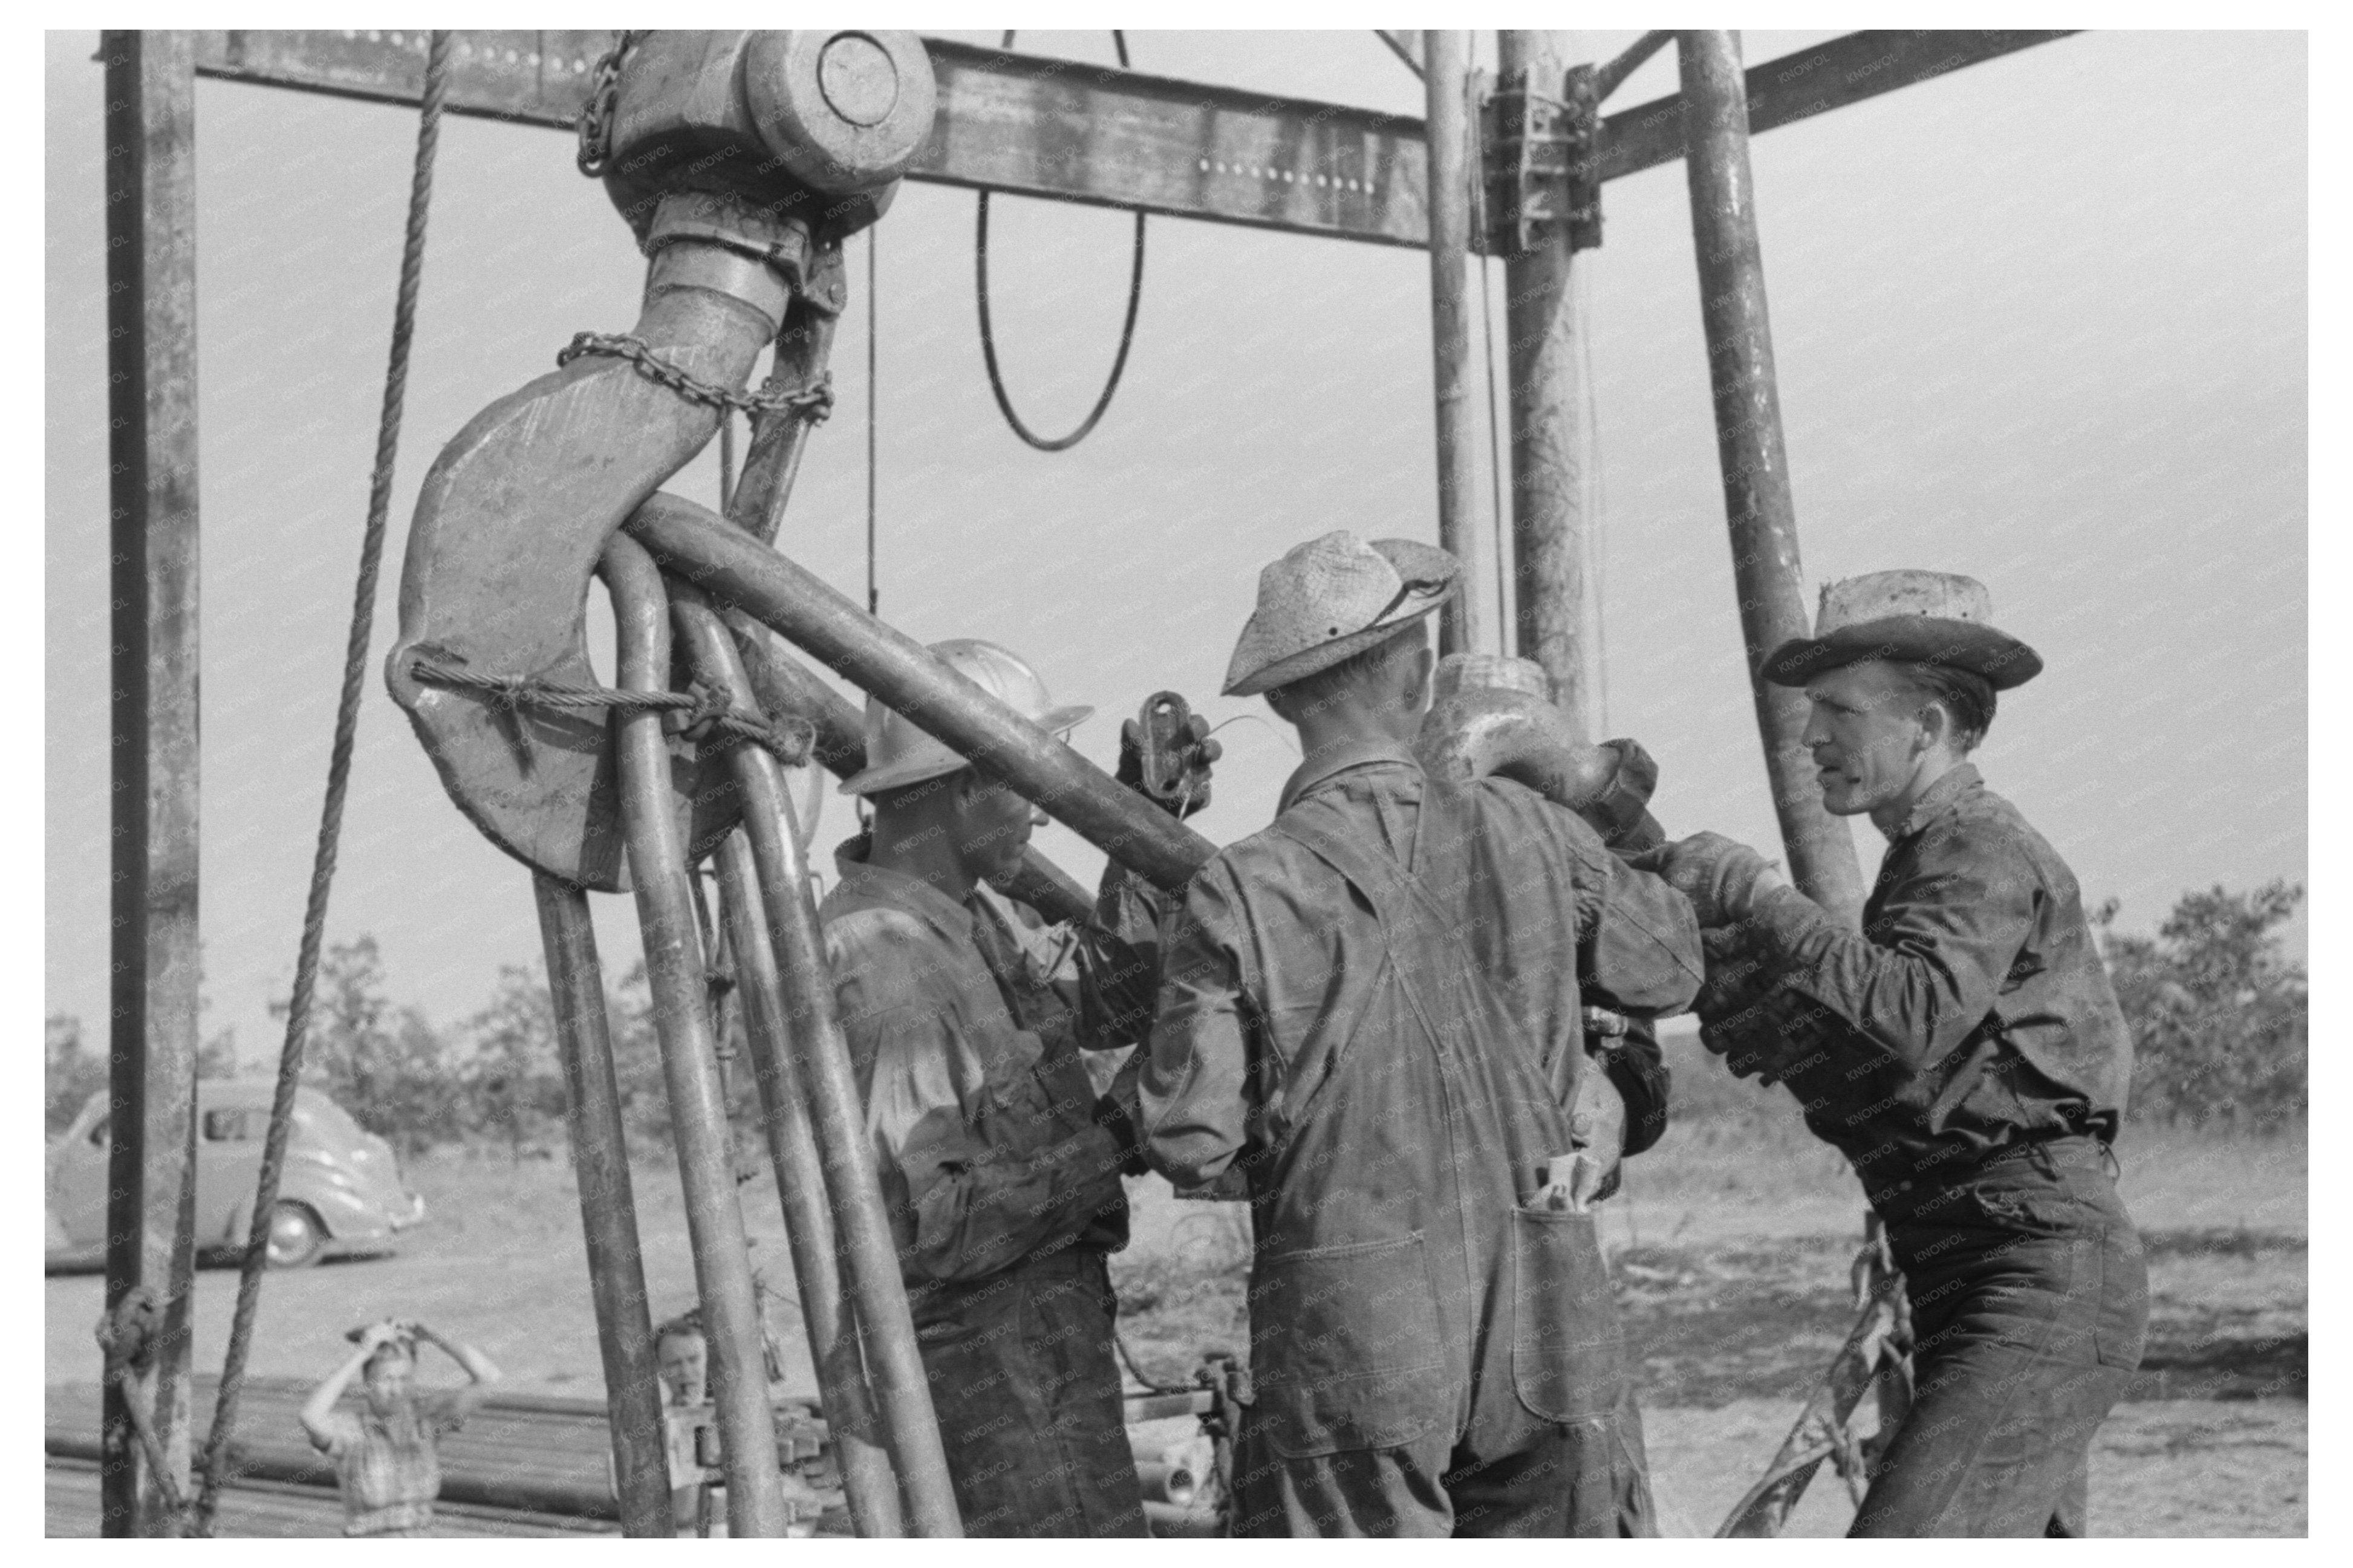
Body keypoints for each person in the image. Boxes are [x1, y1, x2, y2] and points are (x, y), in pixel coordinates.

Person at [1125, 530, 1705, 1537]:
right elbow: (1673, 964)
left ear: (1278, 701)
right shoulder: (1536, 834)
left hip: (1355, 1326)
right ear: (1415, 674)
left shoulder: (1241, 887)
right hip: (1544, 1305)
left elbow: (1189, 1139)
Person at [1646, 569, 2147, 1537]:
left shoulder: (1975, 847)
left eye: (1835, 711)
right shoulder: (1923, 858)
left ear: (1922, 725)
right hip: (1975, 1266)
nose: (1809, 739)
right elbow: (1910, 1077)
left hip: (2031, 1275)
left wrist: (1753, 893)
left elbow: (1912, 1014)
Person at [816, 638, 1217, 1538]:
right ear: (965, 786)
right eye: (1027, 787)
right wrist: (1115, 1142)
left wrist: (1138, 825)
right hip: (989, 1386)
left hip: (1039, 1356)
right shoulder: (887, 963)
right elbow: (934, 1228)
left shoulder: (971, 915)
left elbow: (1108, 996)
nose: (1039, 819)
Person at [299, 1319, 501, 1538]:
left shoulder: (426, 1423)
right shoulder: (353, 1432)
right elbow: (311, 1417)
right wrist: (362, 1354)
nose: (396, 1390)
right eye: (386, 1379)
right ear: (367, 1383)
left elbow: (489, 1378)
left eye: (404, 1379)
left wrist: (434, 1335)